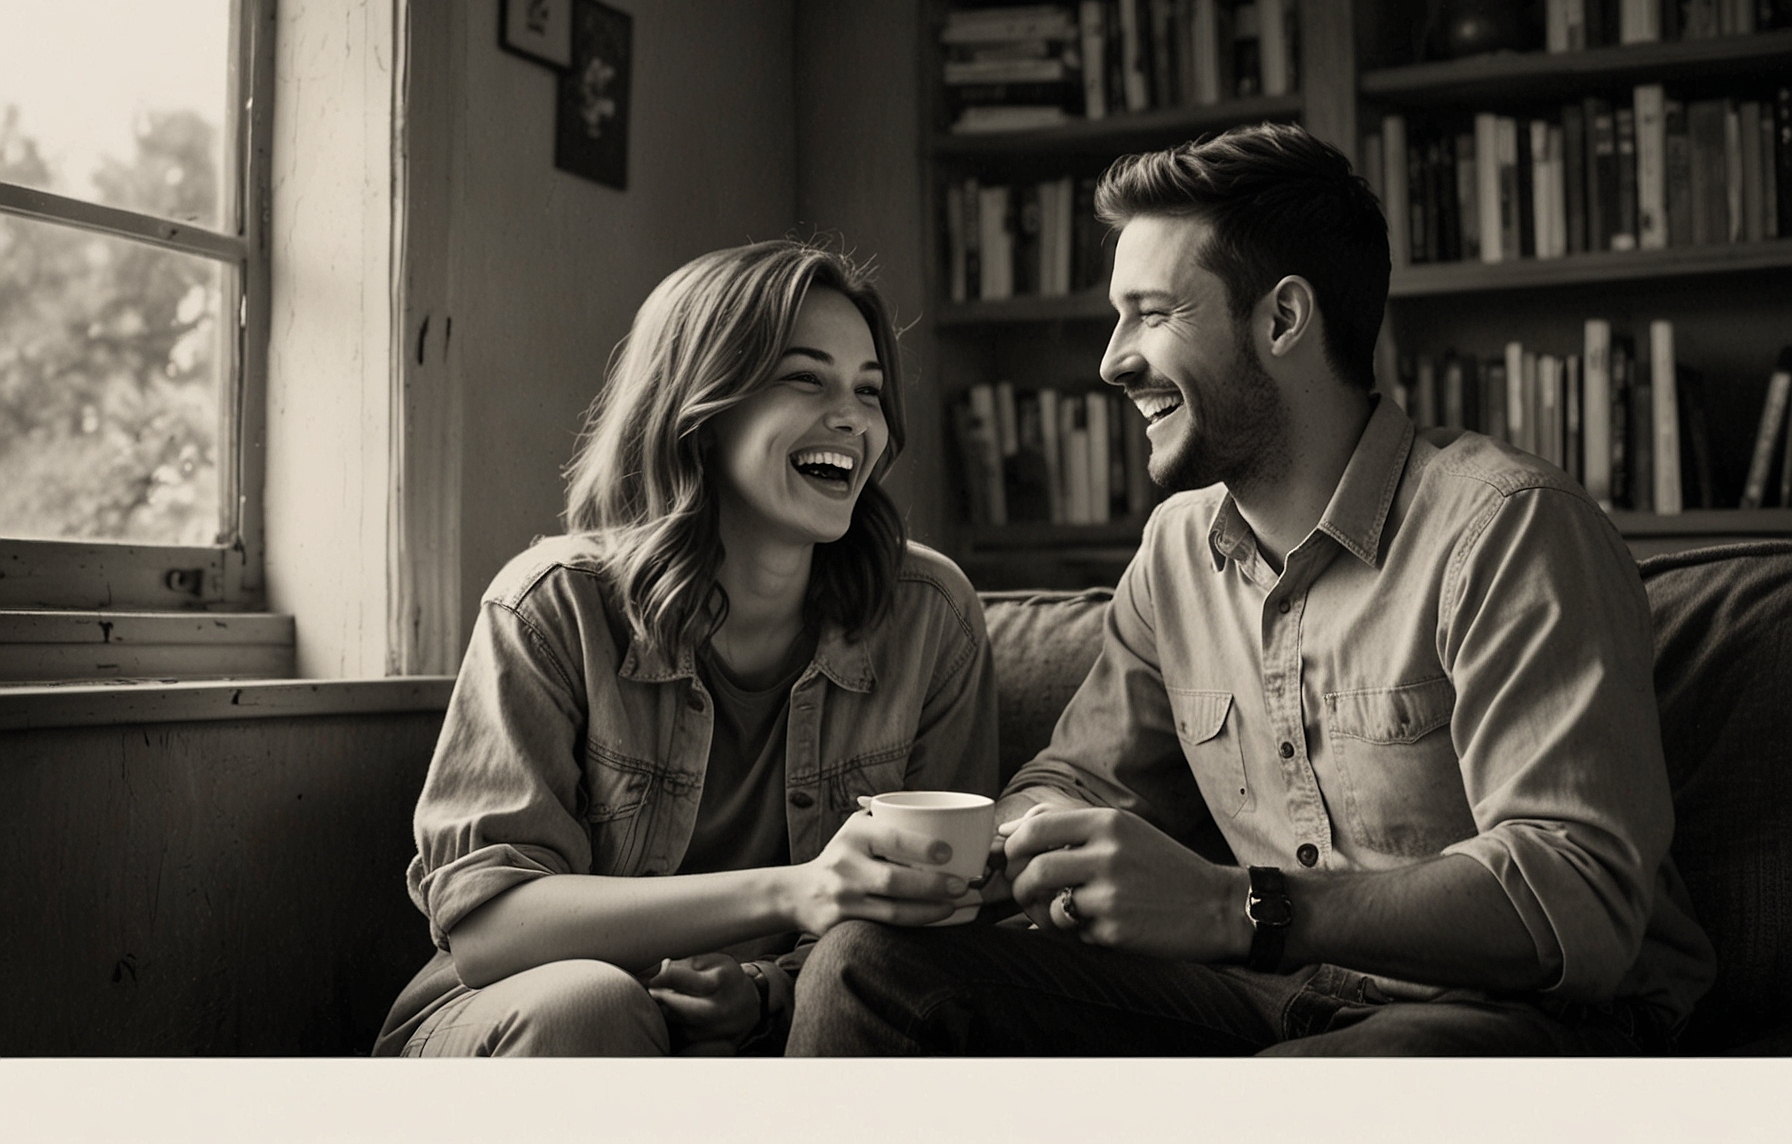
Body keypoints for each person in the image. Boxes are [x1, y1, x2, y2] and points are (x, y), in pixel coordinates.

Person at [785, 124, 1717, 1056]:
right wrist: (996, 844)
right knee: (868, 964)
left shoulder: (1509, 527)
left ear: (1282, 320)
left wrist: (1236, 906)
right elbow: (1086, 778)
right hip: (1271, 998)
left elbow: (1581, 893)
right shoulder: (1175, 553)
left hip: (1511, 1019)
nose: (1111, 360)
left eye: (1151, 314)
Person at [374, 240, 998, 1057]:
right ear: (701, 410)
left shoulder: (930, 616)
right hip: (516, 1024)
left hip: (781, 1028)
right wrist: (796, 892)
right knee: (590, 1004)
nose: (853, 417)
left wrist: (769, 991)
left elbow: (939, 917)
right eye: (806, 377)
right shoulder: (551, 606)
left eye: (870, 390)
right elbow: (490, 928)